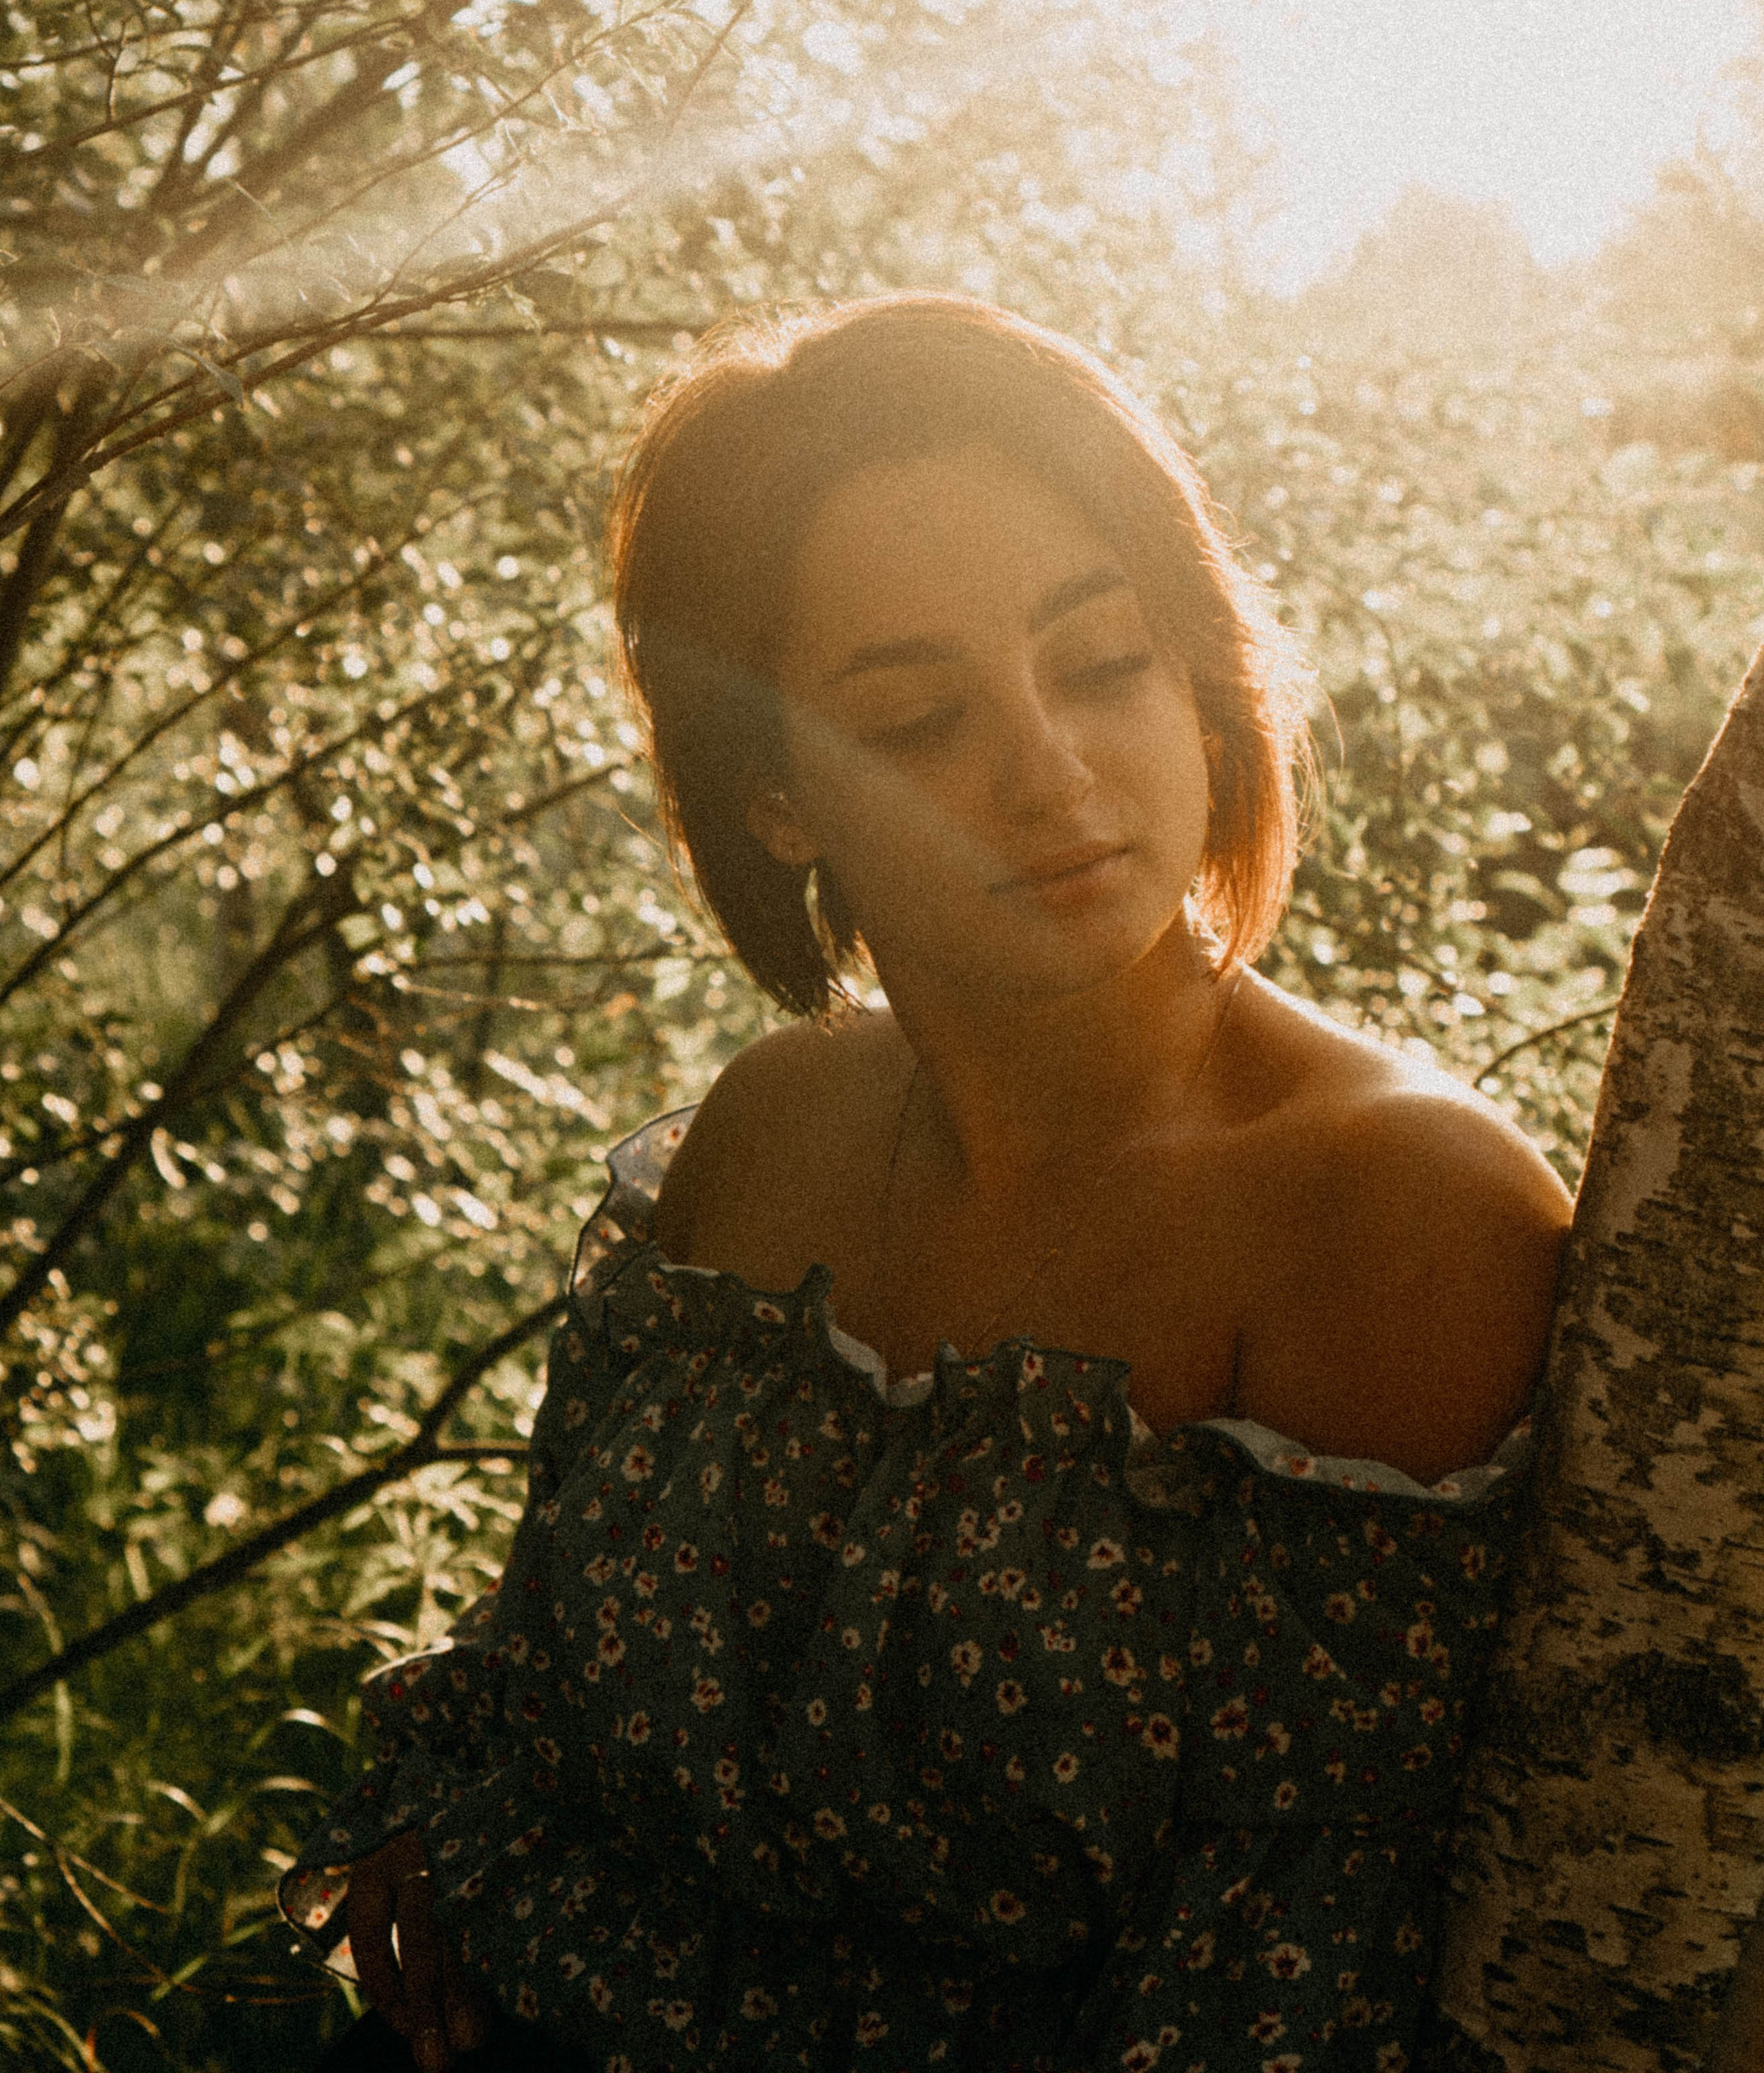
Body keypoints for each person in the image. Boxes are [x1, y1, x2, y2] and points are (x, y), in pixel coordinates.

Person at [285, 293, 1570, 2072]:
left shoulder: (1397, 1218)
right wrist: (448, 1829)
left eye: (1104, 663)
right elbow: (555, 1688)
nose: (1049, 772)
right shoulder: (764, 1133)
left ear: (1198, 672)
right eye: (916, 717)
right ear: (779, 799)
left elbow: (1280, 1995)